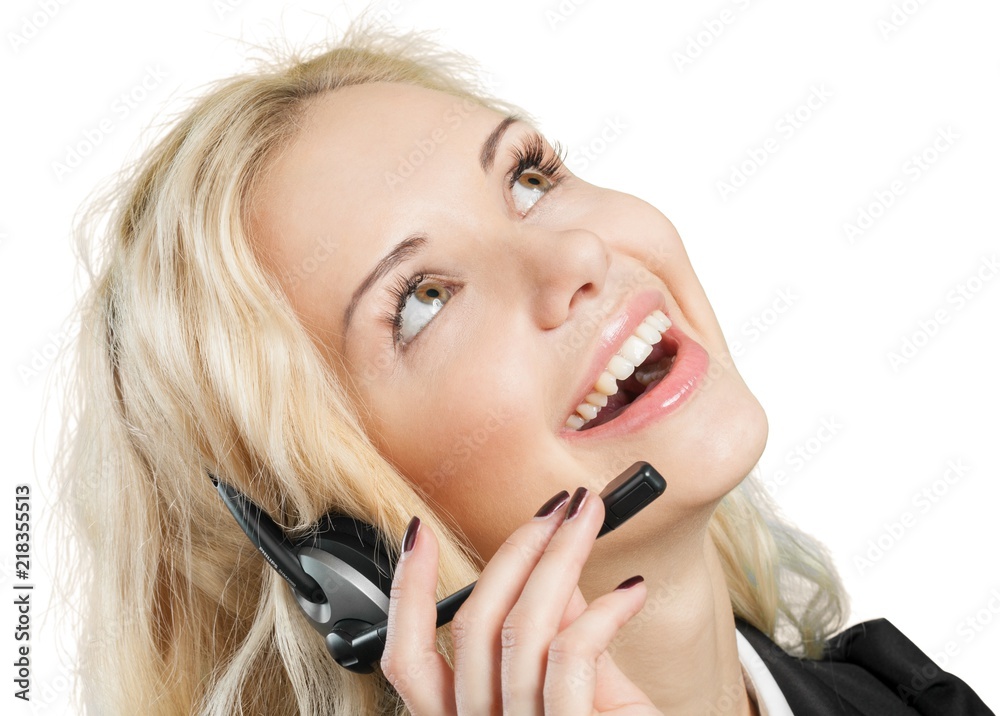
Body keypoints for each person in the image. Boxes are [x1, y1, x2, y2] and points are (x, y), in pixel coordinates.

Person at [56, 21, 993, 716]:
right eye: (423, 296)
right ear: (348, 565)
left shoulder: (903, 700)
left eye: (528, 178)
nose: (577, 255)